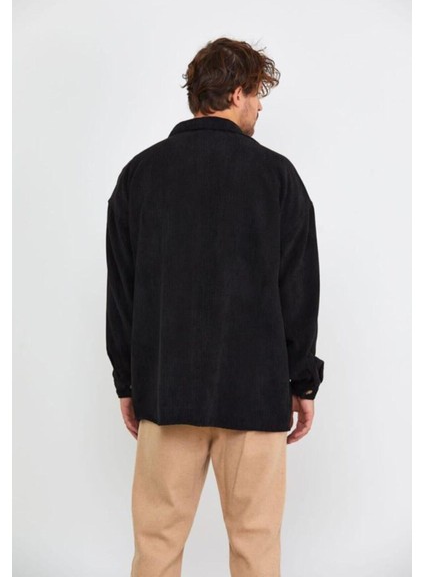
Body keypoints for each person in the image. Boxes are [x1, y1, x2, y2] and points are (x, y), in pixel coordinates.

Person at [106, 36, 324, 577]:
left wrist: (128, 382)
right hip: (255, 395)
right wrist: (302, 383)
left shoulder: (139, 175)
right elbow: (298, 290)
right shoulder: (276, 176)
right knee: (255, 547)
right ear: (236, 92)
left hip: (166, 391)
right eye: (257, 94)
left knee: (156, 548)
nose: (260, 107)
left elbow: (123, 290)